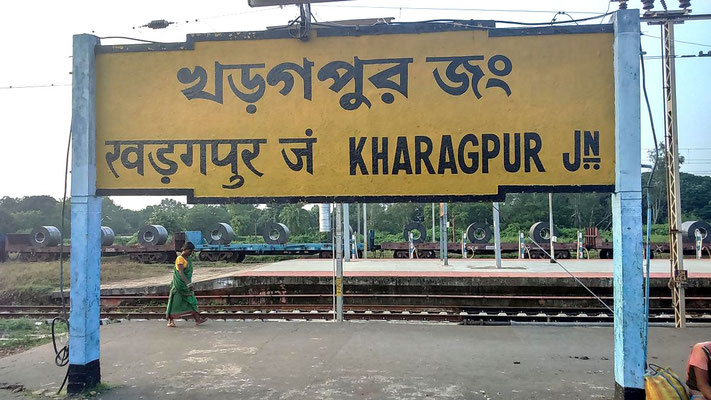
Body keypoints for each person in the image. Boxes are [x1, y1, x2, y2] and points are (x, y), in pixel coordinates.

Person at [165, 242, 207, 327]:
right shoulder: (180, 259)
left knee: (192, 301)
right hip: (179, 285)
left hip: (186, 285)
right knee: (174, 303)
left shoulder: (187, 259)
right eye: (190, 251)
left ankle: (198, 320)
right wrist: (188, 283)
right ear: (186, 249)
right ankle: (170, 321)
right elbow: (181, 272)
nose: (191, 253)